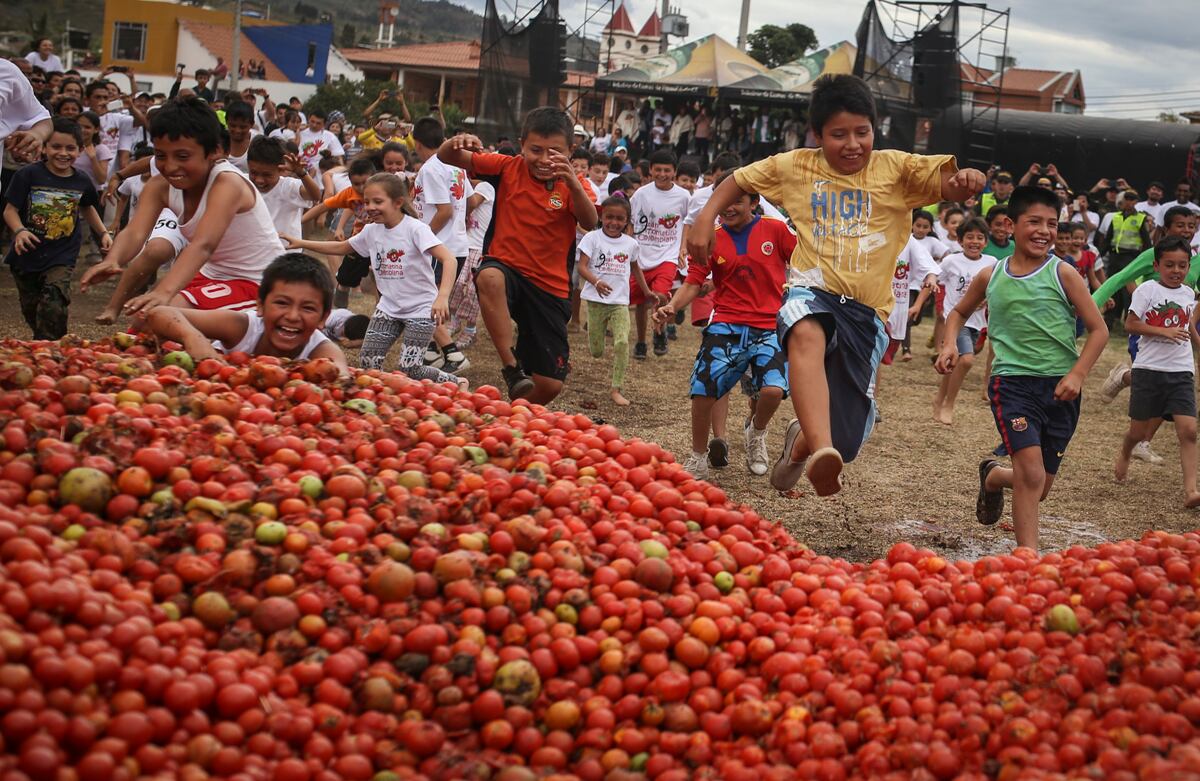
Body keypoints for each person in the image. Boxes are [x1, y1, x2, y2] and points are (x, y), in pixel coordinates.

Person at [688, 74, 984, 497]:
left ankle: (802, 449)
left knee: (847, 441)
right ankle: (822, 446)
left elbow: (949, 181)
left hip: (867, 312)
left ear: (874, 129)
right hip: (813, 290)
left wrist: (968, 179)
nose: (852, 144)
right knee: (807, 330)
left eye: (861, 132)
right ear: (818, 135)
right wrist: (704, 218)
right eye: (838, 134)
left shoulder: (896, 168)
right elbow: (740, 180)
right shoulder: (797, 166)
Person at [937, 186, 1107, 550]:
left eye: (1051, 223)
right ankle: (1027, 558)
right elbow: (958, 313)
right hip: (1012, 385)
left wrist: (1077, 374)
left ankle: (994, 478)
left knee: (1039, 486)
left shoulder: (1064, 274)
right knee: (1030, 475)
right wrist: (950, 342)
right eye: (1034, 222)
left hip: (1061, 389)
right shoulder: (991, 275)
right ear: (1010, 225)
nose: (1044, 230)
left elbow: (1099, 330)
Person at [436, 107, 598, 403]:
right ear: (522, 143)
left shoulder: (577, 186)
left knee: (549, 385)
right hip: (506, 267)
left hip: (551, 287)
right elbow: (448, 156)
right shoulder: (507, 167)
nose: (544, 159)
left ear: (571, 150)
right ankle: (511, 367)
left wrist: (573, 182)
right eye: (535, 150)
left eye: (555, 152)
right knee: (489, 277)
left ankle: (514, 412)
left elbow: (590, 222)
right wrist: (458, 140)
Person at [81, 97, 285, 319]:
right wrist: (113, 260)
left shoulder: (228, 183)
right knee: (147, 319)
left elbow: (203, 245)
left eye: (183, 156)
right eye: (160, 156)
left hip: (260, 282)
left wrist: (164, 292)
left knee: (161, 313)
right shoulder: (160, 186)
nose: (169, 166)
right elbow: (135, 232)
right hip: (212, 274)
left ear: (214, 151)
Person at [656, 178, 796, 479]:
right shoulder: (711, 237)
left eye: (737, 201)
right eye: (724, 201)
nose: (729, 208)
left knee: (772, 391)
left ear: (754, 203)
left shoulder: (776, 230)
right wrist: (672, 306)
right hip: (726, 324)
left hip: (769, 325)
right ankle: (697, 456)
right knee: (703, 389)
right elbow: (694, 280)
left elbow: (805, 260)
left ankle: (756, 433)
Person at [282, 173, 464, 385]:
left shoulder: (416, 229)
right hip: (388, 308)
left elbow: (449, 259)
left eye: (378, 201)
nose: (370, 207)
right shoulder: (371, 231)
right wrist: (301, 242)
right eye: (367, 202)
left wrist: (442, 297)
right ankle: (380, 396)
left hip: (420, 309)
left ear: (398, 202)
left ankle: (455, 383)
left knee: (411, 369)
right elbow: (343, 247)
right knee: (368, 364)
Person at [145, 252, 349, 373]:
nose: (293, 316)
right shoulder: (242, 327)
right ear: (259, 305)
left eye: (307, 308)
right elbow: (161, 312)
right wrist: (192, 337)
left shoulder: (322, 352)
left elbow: (341, 381)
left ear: (324, 317)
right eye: (282, 303)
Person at [1110, 237, 1200, 506]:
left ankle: (1191, 491)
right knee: (1138, 432)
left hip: (1182, 370)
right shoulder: (1147, 290)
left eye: (1182, 265)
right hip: (1149, 369)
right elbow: (1131, 324)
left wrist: (1195, 338)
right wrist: (1163, 331)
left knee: (1189, 431)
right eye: (1170, 265)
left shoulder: (1188, 293)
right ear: (1156, 265)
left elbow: (1189, 324)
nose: (1176, 270)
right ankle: (1126, 451)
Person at [3, 118, 110, 339]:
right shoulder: (28, 175)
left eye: (70, 148)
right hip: (26, 255)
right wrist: (20, 231)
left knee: (54, 302)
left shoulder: (81, 180)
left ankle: (51, 348)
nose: (63, 153)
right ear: (44, 148)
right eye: (56, 146)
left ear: (80, 150)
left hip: (61, 253)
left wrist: (103, 233)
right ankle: (43, 340)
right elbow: (9, 210)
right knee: (32, 308)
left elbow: (87, 207)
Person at [411, 116, 473, 373]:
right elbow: (467, 201)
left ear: (416, 143)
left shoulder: (432, 167)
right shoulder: (457, 166)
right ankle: (430, 352)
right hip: (456, 245)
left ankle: (452, 354)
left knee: (424, 301)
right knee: (431, 299)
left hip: (439, 247)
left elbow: (444, 211)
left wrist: (419, 238)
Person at [577, 196, 652, 407]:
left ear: (627, 220)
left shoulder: (631, 244)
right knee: (597, 350)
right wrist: (596, 281)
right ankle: (597, 344)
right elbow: (582, 267)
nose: (614, 222)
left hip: (620, 302)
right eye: (609, 217)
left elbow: (636, 269)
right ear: (601, 216)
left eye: (620, 219)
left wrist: (647, 292)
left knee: (621, 342)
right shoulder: (591, 238)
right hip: (595, 301)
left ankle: (616, 388)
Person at [932, 217, 994, 425]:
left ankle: (939, 400)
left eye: (979, 237)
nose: (974, 241)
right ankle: (949, 404)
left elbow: (997, 288)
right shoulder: (951, 261)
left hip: (977, 322)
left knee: (954, 362)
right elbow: (934, 279)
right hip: (956, 320)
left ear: (986, 241)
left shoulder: (991, 263)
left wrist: (985, 299)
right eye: (969, 237)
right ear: (960, 241)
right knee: (966, 360)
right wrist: (925, 302)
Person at [630, 150, 690, 359]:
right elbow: (631, 222)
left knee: (661, 295)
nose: (662, 174)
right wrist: (628, 247)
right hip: (642, 256)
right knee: (640, 303)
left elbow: (688, 223)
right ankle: (640, 341)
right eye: (658, 169)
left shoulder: (683, 196)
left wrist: (683, 247)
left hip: (668, 255)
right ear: (650, 170)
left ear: (674, 172)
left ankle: (659, 331)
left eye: (667, 170)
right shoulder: (641, 194)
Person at [301, 157, 376, 304]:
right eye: (356, 184)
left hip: (383, 241)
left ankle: (382, 312)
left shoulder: (384, 189)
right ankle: (340, 308)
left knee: (381, 277)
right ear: (350, 182)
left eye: (365, 183)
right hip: (359, 241)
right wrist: (299, 222)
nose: (361, 188)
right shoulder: (349, 193)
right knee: (344, 278)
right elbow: (324, 206)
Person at [246, 135, 321, 240]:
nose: (259, 180)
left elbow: (315, 195)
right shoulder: (242, 183)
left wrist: (302, 173)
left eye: (267, 175)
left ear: (281, 170)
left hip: (285, 252)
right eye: (253, 173)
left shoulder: (288, 186)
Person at [297, 111, 345, 176]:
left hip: (323, 174)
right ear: (308, 119)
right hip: (303, 172)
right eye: (312, 121)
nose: (314, 125)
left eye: (318, 123)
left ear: (324, 124)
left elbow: (338, 157)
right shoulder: (300, 134)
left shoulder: (330, 136)